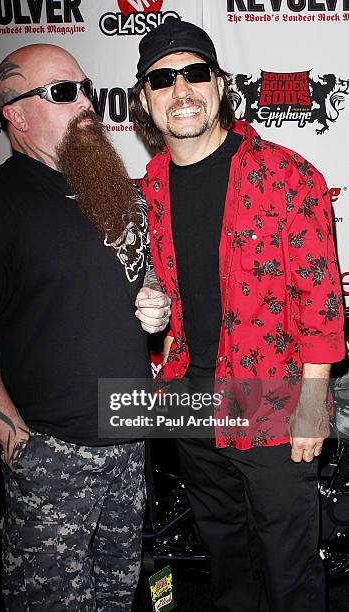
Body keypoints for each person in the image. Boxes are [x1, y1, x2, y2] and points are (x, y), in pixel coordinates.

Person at [0, 43, 171, 612]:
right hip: (52, 454)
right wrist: (15, 440)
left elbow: (138, 278)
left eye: (84, 88)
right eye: (63, 92)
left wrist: (154, 298)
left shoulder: (112, 192)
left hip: (129, 443)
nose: (85, 103)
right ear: (14, 111)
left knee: (116, 597)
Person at [129, 17, 345, 612]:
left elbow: (322, 297)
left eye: (195, 73)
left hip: (273, 396)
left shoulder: (286, 174)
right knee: (226, 558)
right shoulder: (148, 187)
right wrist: (153, 306)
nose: (182, 90)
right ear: (144, 100)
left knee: (289, 563)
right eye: (163, 79)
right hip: (188, 398)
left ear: (220, 85)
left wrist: (312, 402)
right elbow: (168, 278)